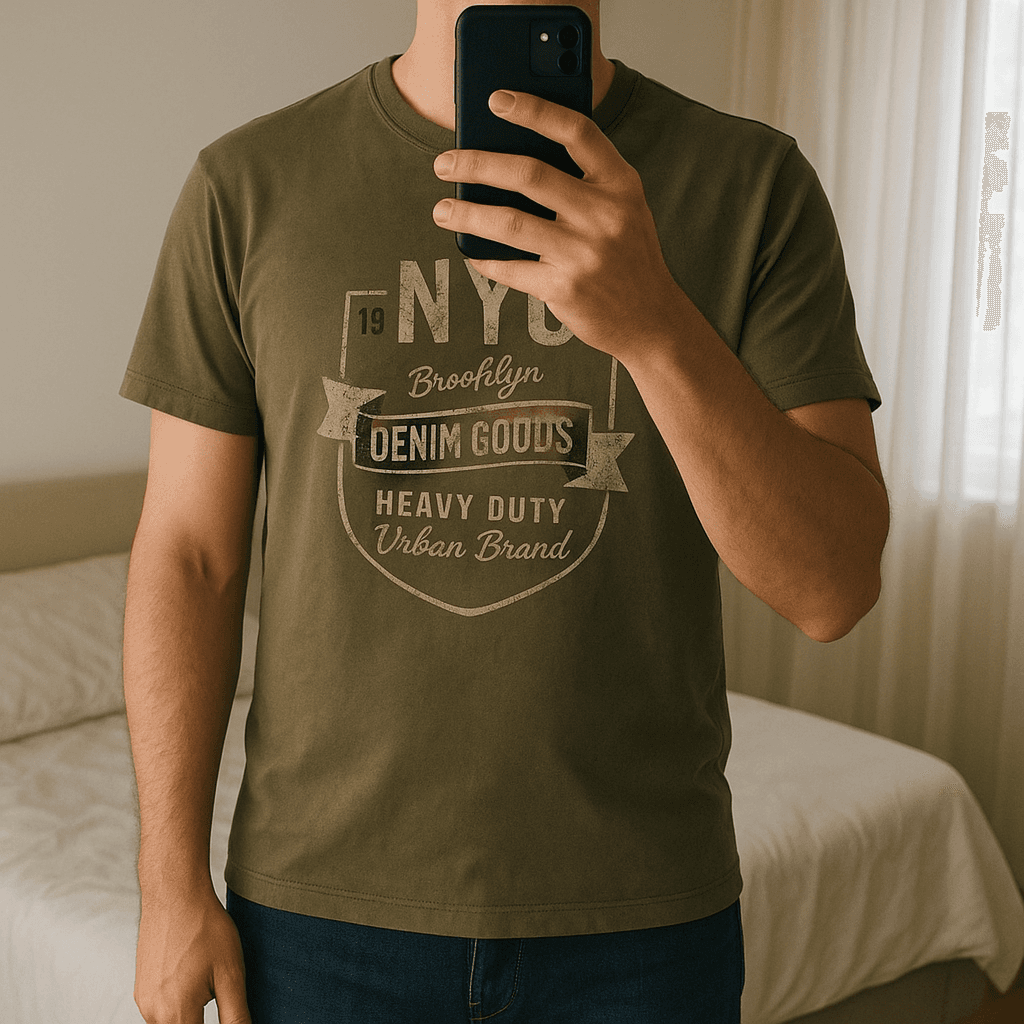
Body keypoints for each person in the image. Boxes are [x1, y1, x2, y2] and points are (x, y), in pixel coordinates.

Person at [120, 1, 889, 1021]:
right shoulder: (247, 187)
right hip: (321, 916)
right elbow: (190, 557)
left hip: (639, 924)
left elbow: (832, 587)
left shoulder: (752, 185)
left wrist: (658, 326)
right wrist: (169, 881)